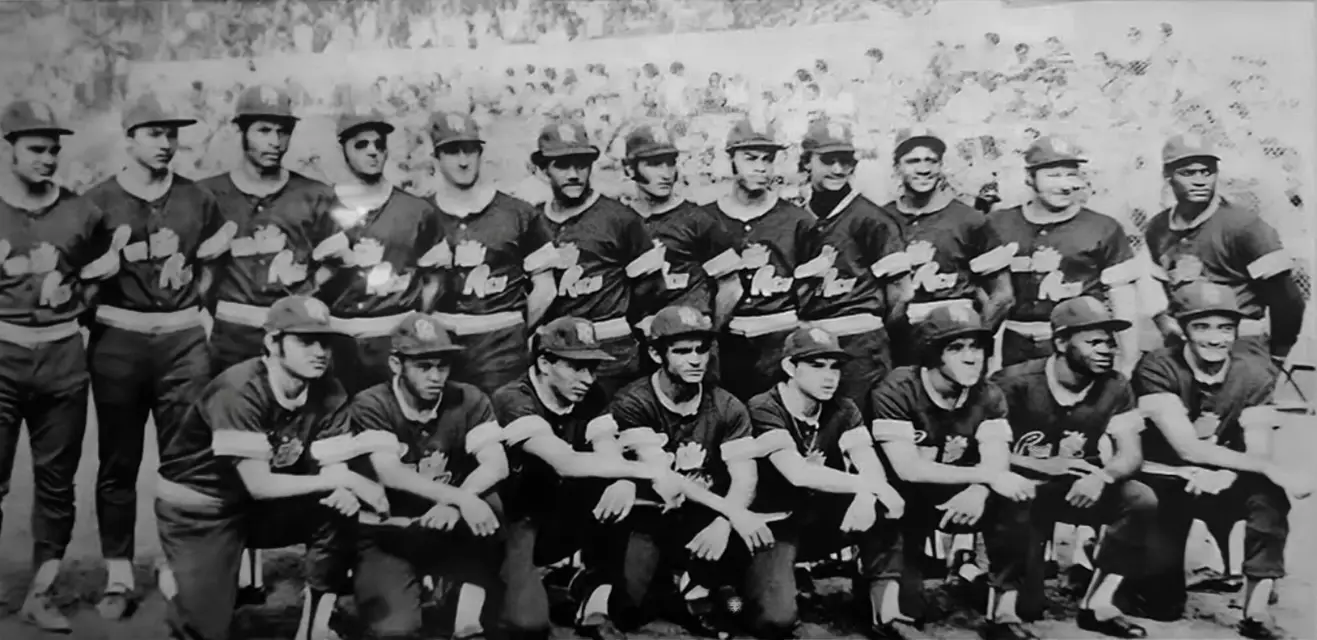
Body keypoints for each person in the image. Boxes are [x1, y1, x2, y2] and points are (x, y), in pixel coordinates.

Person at [154, 295, 386, 640]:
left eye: (325, 342)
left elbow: (331, 468)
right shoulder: (239, 387)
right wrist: (346, 479)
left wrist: (342, 489)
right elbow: (258, 484)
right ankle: (183, 579)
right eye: (305, 341)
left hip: (259, 505)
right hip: (201, 507)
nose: (319, 352)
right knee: (206, 629)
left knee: (339, 509)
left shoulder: (329, 388)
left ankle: (315, 628)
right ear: (272, 342)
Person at [82, 92, 228, 620]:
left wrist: (195, 303)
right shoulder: (96, 201)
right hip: (120, 338)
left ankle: (175, 563)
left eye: (172, 133)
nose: (166, 143)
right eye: (153, 133)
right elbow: (79, 279)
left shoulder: (197, 198)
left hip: (182, 340)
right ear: (129, 138)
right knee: (118, 459)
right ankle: (118, 572)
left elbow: (214, 261)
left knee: (184, 456)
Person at [1126, 282, 1312, 639]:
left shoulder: (1255, 373)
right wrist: (1268, 467)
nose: (1216, 338)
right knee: (1161, 607)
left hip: (1221, 475)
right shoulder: (1157, 366)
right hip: (1167, 477)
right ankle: (1129, 565)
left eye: (1225, 327)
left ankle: (1255, 611)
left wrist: (1229, 470)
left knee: (1269, 496)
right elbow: (1186, 449)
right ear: (1182, 329)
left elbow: (1258, 448)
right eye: (1202, 326)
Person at [0, 99, 124, 632]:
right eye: (35, 149)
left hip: (62, 356)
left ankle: (40, 590)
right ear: (11, 150)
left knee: (57, 481)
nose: (47, 158)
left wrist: (87, 281)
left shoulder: (83, 212)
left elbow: (104, 271)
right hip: (1, 353)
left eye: (54, 149)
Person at [493, 316, 685, 640]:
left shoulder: (590, 395)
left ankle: (593, 605)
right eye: (576, 366)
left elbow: (607, 449)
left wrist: (623, 482)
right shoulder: (514, 398)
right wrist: (644, 471)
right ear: (544, 362)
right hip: (512, 517)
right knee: (527, 624)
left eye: (593, 368)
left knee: (618, 492)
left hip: (557, 510)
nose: (587, 378)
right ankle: (527, 583)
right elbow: (565, 462)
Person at [993, 297, 1159, 638]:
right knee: (1029, 607)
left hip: (1078, 488)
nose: (1107, 350)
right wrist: (1039, 466)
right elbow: (988, 455)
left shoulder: (1115, 385)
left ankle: (1098, 604)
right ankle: (1002, 611)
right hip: (1023, 493)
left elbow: (1131, 454)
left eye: (1110, 342)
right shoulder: (1012, 382)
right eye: (1094, 341)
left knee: (1140, 498)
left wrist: (1103, 475)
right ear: (1060, 342)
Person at [869, 305, 1037, 640]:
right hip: (905, 501)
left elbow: (996, 461)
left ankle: (1003, 610)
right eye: (956, 348)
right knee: (888, 497)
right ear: (932, 354)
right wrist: (985, 477)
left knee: (1014, 493)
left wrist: (981, 489)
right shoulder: (897, 389)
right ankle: (886, 612)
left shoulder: (988, 393)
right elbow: (908, 469)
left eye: (976, 347)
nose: (972, 357)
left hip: (957, 494)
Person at [609, 305, 777, 635]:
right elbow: (663, 479)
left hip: (706, 515)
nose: (697, 359)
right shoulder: (633, 402)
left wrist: (726, 520)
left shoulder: (727, 405)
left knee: (741, 609)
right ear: (657, 354)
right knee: (628, 612)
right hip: (652, 515)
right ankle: (666, 582)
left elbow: (746, 477)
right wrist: (730, 512)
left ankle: (709, 588)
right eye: (683, 351)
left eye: (702, 349)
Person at [349, 312, 506, 640]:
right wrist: (460, 498)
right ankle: (364, 591)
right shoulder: (371, 402)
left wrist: (457, 503)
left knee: (491, 501)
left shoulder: (468, 397)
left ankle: (466, 616)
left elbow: (497, 464)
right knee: (396, 631)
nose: (436, 376)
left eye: (442, 365)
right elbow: (389, 473)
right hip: (391, 530)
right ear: (396, 364)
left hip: (447, 526)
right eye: (423, 366)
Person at [745, 325, 908, 639]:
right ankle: (740, 589)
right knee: (775, 620)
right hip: (772, 524)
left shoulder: (844, 408)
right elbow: (797, 473)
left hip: (819, 518)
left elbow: (870, 466)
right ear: (790, 367)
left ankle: (883, 611)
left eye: (835, 367)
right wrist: (865, 486)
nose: (830, 376)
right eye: (817, 366)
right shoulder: (763, 406)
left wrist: (867, 494)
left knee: (887, 503)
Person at [198, 84, 339, 378]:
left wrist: (306, 296)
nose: (275, 141)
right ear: (242, 131)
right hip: (231, 334)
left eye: (283, 131)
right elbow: (199, 270)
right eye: (263, 131)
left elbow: (335, 263)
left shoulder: (315, 195)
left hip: (296, 335)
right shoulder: (209, 195)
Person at [314, 110, 446, 395]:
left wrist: (413, 321)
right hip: (336, 337)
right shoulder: (320, 206)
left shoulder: (416, 210)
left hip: (394, 337)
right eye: (361, 145)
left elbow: (433, 279)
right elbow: (307, 279)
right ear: (344, 150)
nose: (372, 152)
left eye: (379, 144)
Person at [1143, 134, 1305, 364]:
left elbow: (1287, 299)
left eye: (1207, 171)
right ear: (1167, 175)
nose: (1200, 181)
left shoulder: (1244, 227)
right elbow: (1160, 288)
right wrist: (1163, 321)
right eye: (1188, 173)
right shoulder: (1158, 227)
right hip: (1185, 344)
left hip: (1238, 345)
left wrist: (1278, 356)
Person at [532, 122, 665, 396]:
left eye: (581, 165)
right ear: (544, 169)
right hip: (557, 356)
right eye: (562, 165)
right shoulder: (532, 221)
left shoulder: (619, 218)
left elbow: (650, 288)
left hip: (610, 351)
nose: (573, 174)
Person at [428, 111, 557, 395]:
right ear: (435, 157)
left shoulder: (517, 212)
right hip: (440, 346)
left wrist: (514, 326)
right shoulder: (420, 214)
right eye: (452, 151)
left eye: (469, 150)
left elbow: (545, 288)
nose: (463, 160)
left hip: (501, 348)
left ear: (480, 153)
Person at [987, 136, 1140, 372]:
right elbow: (985, 293)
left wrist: (1128, 360)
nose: (1065, 185)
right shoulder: (999, 224)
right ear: (1029, 177)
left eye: (1071, 174)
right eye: (1053, 175)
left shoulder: (1102, 227)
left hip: (1078, 343)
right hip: (1014, 343)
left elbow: (1123, 299)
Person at [793, 117, 912, 415]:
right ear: (807, 162)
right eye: (828, 160)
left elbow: (902, 294)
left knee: (859, 423)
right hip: (811, 341)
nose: (838, 169)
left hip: (859, 343)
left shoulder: (872, 218)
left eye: (845, 161)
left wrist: (873, 333)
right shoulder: (797, 217)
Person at [882, 126, 1015, 367]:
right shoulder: (881, 219)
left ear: (941, 166)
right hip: (901, 341)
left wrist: (976, 337)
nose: (924, 169)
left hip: (956, 335)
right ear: (896, 167)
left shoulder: (969, 220)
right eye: (912, 161)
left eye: (931, 161)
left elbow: (1003, 295)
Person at [621, 123, 741, 383]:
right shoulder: (621, 220)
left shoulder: (698, 219)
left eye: (670, 162)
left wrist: (706, 330)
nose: (666, 173)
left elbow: (731, 288)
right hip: (643, 345)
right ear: (629, 168)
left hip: (691, 347)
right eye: (653, 164)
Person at [710, 117, 815, 401]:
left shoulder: (797, 220)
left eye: (767, 159)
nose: (760, 167)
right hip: (726, 340)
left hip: (779, 342)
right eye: (750, 158)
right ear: (731, 159)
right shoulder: (706, 218)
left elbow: (809, 289)